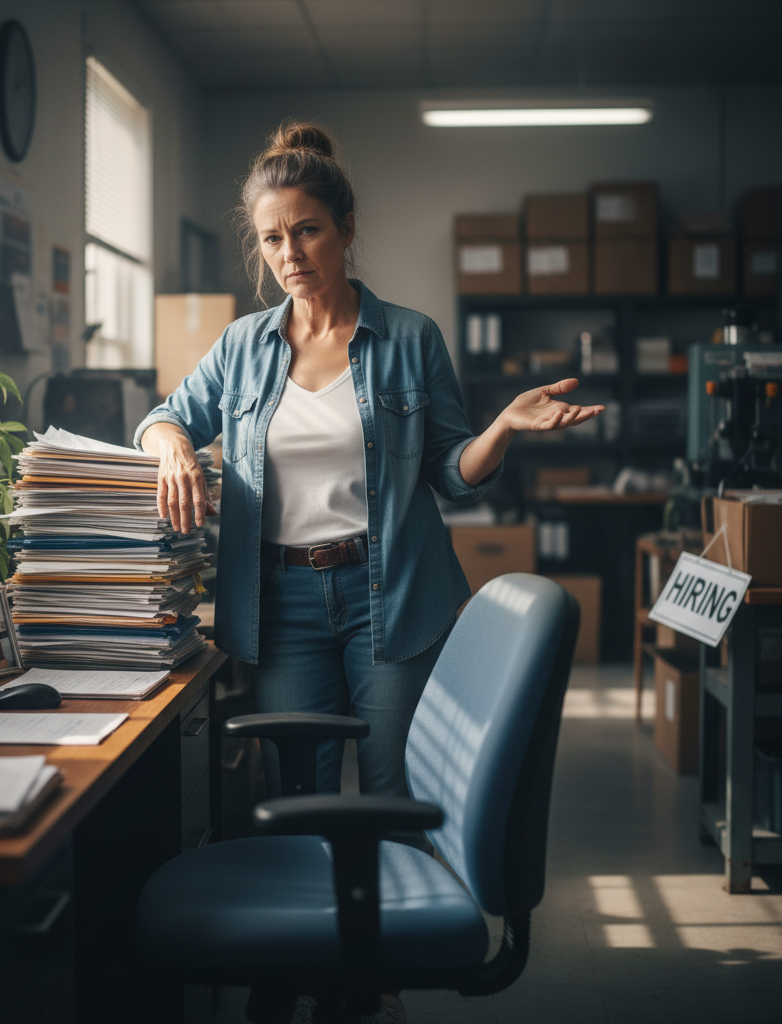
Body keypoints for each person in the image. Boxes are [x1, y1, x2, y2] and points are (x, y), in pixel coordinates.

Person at [137, 120, 603, 1024]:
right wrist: (170, 449)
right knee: (298, 800)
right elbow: (165, 412)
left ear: (346, 229)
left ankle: (373, 983)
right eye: (272, 237)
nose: (289, 253)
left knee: (388, 798)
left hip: (388, 592)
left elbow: (448, 473)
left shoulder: (409, 339)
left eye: (306, 230)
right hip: (279, 602)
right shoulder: (242, 347)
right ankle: (308, 960)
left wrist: (501, 429)